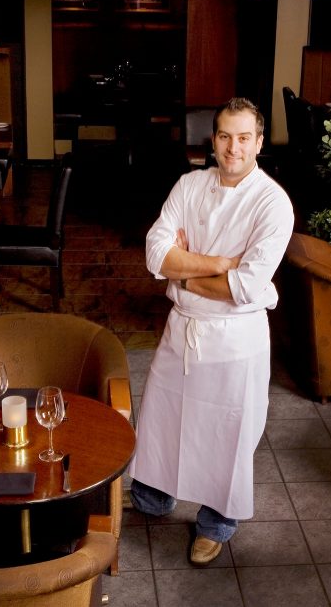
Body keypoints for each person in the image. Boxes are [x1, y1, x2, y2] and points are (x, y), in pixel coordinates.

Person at [127, 97, 294, 565]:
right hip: (183, 329)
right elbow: (154, 252)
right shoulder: (189, 184)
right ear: (213, 139)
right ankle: (152, 499)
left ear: (259, 142)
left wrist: (183, 273)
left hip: (235, 340)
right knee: (163, 418)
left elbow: (246, 286)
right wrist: (218, 264)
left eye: (244, 138)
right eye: (224, 136)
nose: (233, 147)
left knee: (228, 434)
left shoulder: (273, 203)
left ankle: (216, 523)